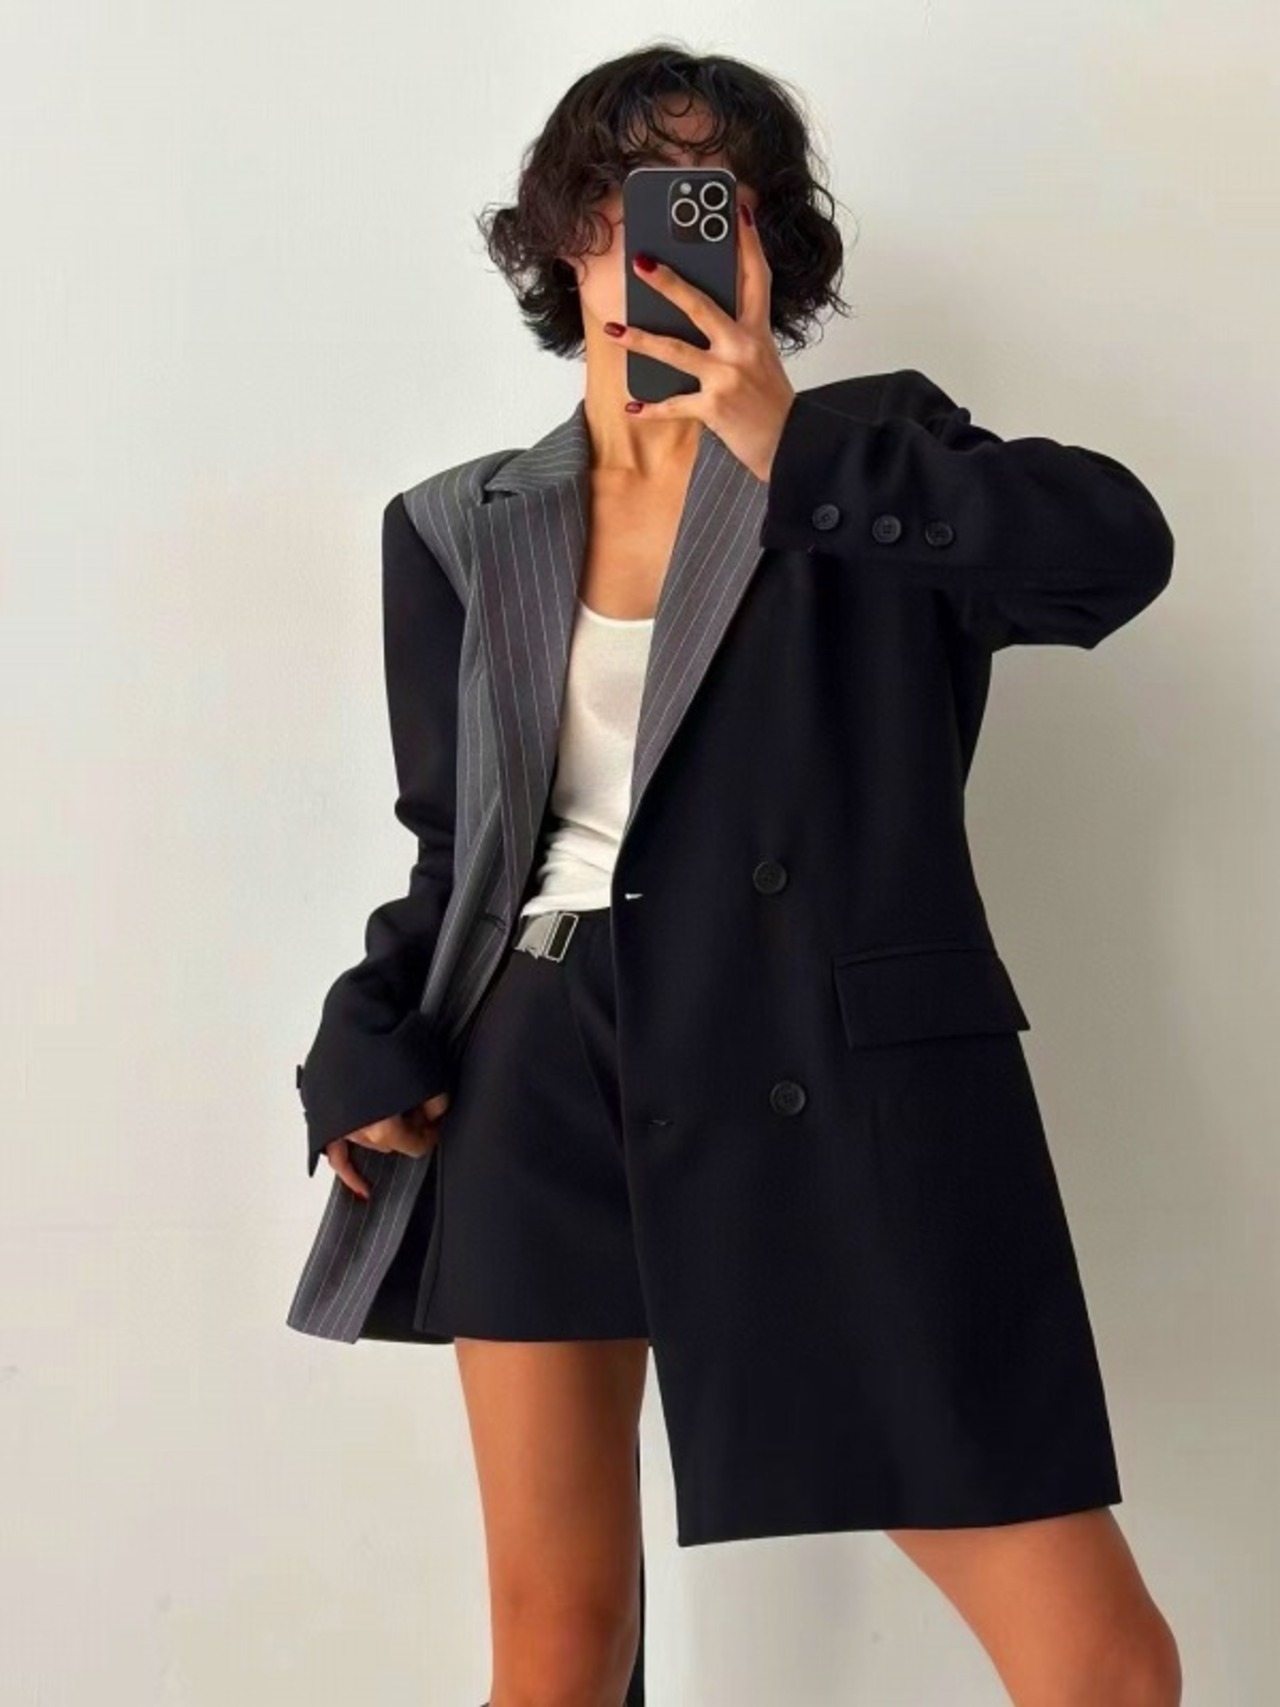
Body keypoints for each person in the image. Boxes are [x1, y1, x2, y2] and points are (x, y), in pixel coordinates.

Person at [290, 43, 1182, 1707]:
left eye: (717, 204)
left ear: (769, 244)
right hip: (538, 1081)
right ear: (568, 238)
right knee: (556, 1660)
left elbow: (1114, 558)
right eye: (627, 200)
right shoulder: (460, 524)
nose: (664, 241)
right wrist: (369, 1040)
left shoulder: (870, 452)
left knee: (1099, 1666)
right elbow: (460, 846)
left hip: (824, 1072)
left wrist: (790, 446)